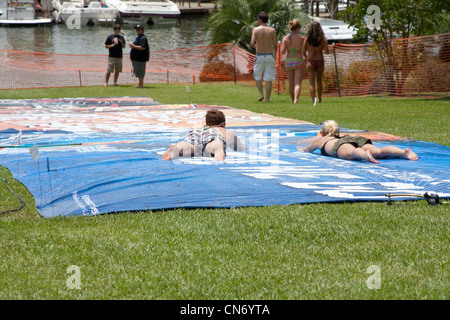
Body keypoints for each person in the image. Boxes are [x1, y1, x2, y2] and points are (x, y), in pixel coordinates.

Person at [297, 120, 419, 164]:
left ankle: (364, 155)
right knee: (379, 151)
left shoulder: (322, 140)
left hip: (339, 145)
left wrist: (301, 149)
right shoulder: (344, 136)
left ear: (323, 132)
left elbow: (307, 149)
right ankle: (404, 153)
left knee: (352, 153)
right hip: (354, 138)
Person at [162, 109, 246, 161]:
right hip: (214, 136)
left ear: (207, 123)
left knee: (189, 146)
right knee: (216, 144)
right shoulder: (226, 132)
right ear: (223, 124)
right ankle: (218, 152)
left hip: (196, 133)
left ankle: (178, 147)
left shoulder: (201, 128)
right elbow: (240, 149)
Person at [250, 11, 278, 103]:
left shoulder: (256, 30)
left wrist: (256, 46)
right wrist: (275, 53)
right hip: (270, 55)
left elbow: (252, 43)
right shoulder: (272, 30)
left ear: (260, 20)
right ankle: (267, 99)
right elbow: (275, 44)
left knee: (257, 76)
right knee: (268, 79)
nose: (257, 21)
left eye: (258, 19)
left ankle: (261, 94)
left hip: (260, 55)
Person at [302, 21, 329, 106]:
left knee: (311, 82)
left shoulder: (307, 39)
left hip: (310, 61)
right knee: (319, 81)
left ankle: (314, 100)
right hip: (320, 61)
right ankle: (320, 99)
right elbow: (327, 52)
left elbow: (303, 52)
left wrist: (307, 58)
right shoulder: (323, 39)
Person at [280, 20, 305, 104]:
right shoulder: (301, 38)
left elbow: (282, 51)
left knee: (291, 83)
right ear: (298, 28)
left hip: (289, 61)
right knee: (297, 83)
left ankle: (292, 99)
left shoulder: (286, 38)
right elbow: (305, 49)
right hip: (298, 60)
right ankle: (296, 99)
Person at [129, 24, 149, 88]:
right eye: (137, 30)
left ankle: (141, 84)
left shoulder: (143, 38)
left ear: (142, 30)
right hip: (136, 58)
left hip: (141, 58)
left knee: (141, 71)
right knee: (137, 71)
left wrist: (133, 46)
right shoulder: (138, 37)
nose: (137, 31)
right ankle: (139, 84)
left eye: (139, 30)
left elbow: (143, 47)